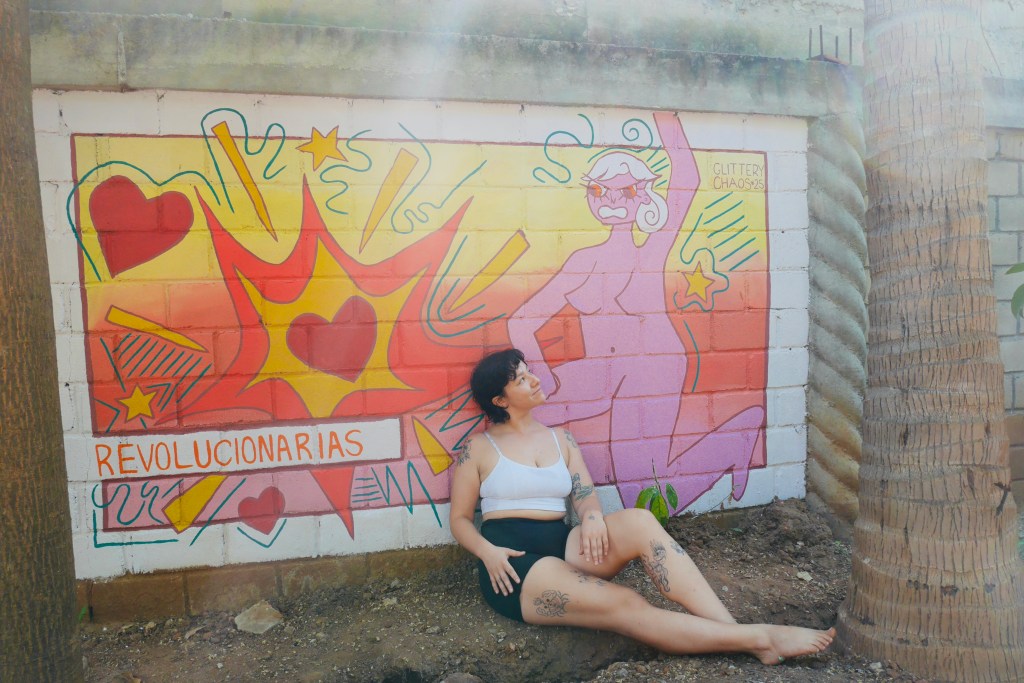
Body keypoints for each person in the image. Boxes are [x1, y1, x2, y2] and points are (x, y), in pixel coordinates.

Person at [449, 348, 835, 663]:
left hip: (563, 542)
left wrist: (593, 517)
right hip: (513, 564)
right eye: (520, 379)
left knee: (640, 521)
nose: (535, 379)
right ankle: (761, 639)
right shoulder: (479, 448)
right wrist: (487, 552)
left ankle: (738, 633)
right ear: (500, 400)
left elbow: (583, 493)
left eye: (529, 371)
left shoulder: (560, 439)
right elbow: (461, 519)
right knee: (625, 604)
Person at [506, 111, 765, 514]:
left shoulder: (652, 249)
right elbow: (521, 321)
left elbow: (687, 176)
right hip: (603, 369)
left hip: (651, 370)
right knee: (520, 409)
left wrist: (665, 111)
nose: (610, 200)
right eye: (599, 190)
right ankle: (525, 503)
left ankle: (734, 439)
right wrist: (543, 372)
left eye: (624, 192)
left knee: (642, 499)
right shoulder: (581, 261)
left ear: (643, 196)